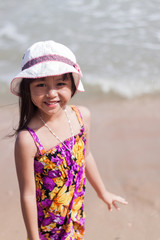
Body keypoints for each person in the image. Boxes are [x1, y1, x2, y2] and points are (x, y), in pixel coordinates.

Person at [11, 40, 128, 240]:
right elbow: (28, 195)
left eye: (60, 83)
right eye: (41, 85)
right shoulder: (28, 139)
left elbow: (86, 155)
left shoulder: (82, 117)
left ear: (72, 86)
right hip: (46, 225)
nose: (51, 93)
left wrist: (103, 192)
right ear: (27, 89)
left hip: (74, 211)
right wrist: (33, 237)